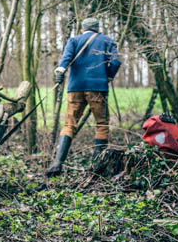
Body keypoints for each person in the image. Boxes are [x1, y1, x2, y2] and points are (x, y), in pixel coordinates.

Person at [45, 17, 121, 177]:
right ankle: (97, 168)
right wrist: (107, 76)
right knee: (101, 124)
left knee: (69, 124)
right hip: (98, 88)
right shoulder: (108, 41)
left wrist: (59, 71)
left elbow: (65, 59)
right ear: (98, 29)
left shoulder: (74, 40)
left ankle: (58, 163)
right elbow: (115, 63)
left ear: (82, 30)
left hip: (75, 87)